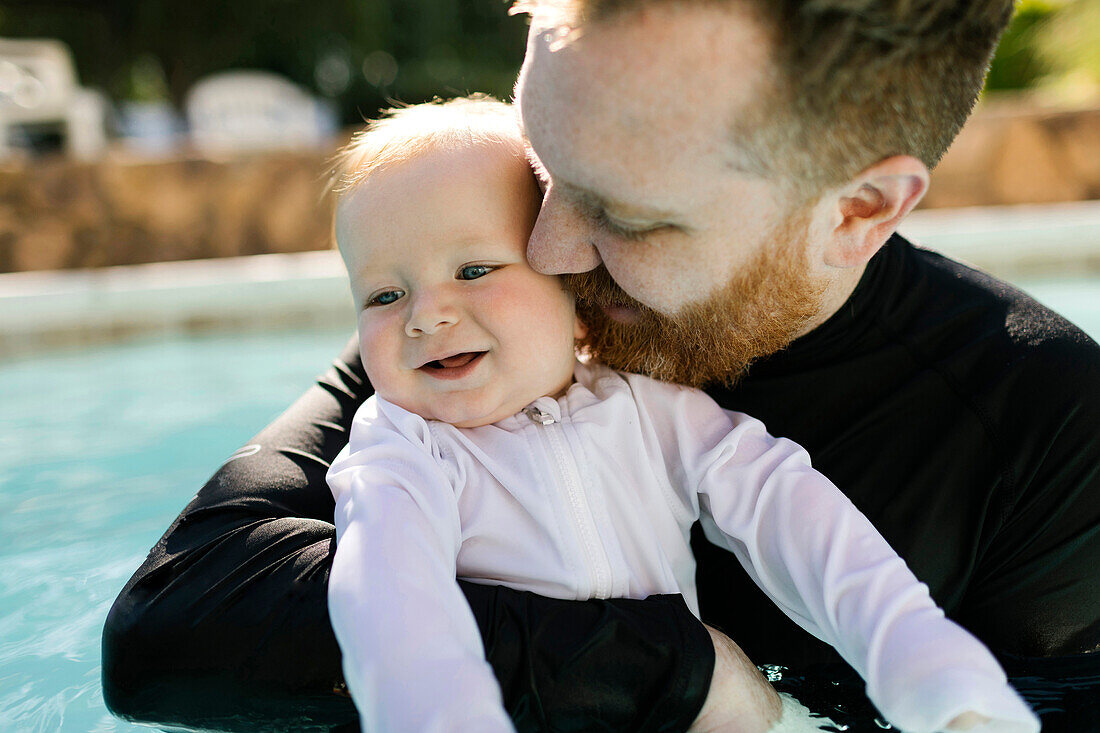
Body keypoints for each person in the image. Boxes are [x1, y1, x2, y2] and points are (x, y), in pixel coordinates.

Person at [102, 1, 1100, 731]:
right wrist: (666, 671)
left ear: (856, 210)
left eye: (626, 213)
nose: (553, 248)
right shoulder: (470, 339)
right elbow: (171, 628)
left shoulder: (1045, 429)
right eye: (547, 169)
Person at [323, 95, 1036, 733]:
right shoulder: (402, 451)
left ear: (567, 278)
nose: (425, 315)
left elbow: (791, 513)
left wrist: (928, 664)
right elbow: (392, 607)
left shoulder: (650, 414)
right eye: (384, 295)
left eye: (474, 270)